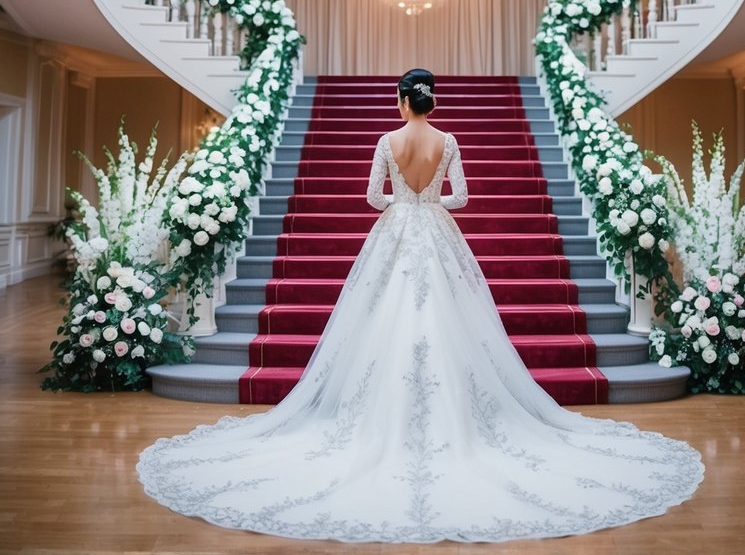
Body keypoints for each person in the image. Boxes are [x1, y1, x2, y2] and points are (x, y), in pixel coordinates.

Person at [137, 68, 703, 542]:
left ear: (402, 100)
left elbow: (370, 197)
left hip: (396, 230)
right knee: (451, 318)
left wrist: (400, 201)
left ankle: (379, 417)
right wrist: (430, 200)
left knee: (382, 316)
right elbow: (461, 195)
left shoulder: (388, 141)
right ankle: (458, 417)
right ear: (432, 101)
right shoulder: (447, 141)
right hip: (436, 230)